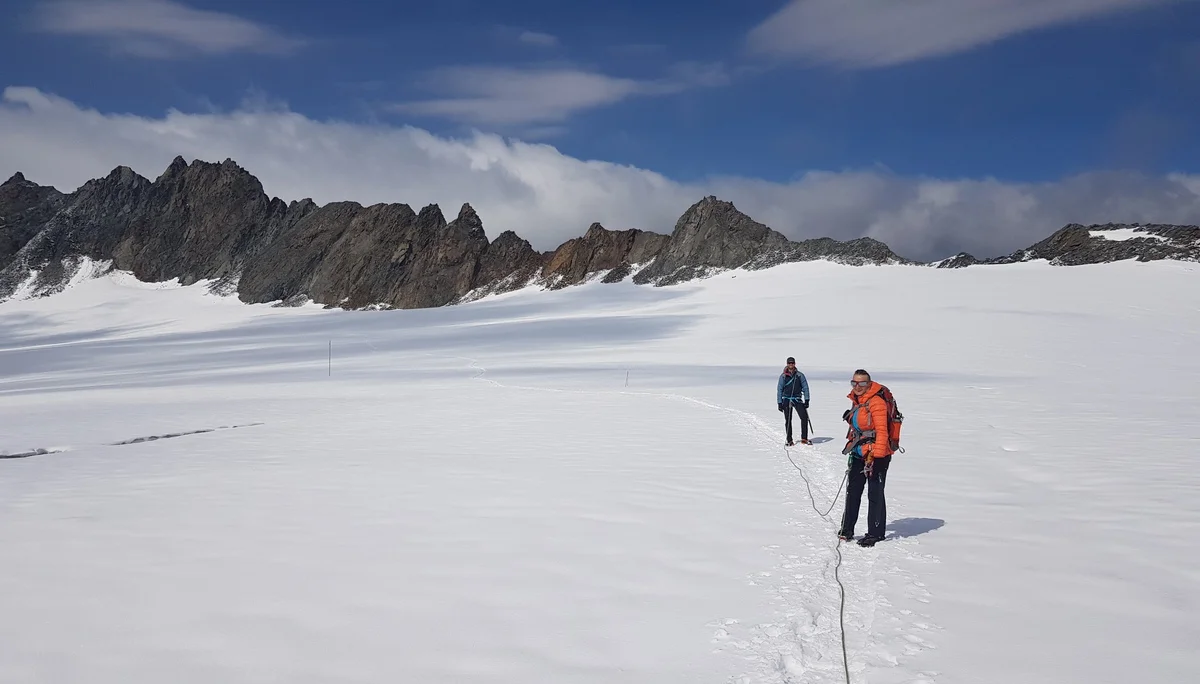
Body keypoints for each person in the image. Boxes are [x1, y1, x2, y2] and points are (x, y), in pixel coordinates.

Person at [838, 369, 893, 547]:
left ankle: (875, 533)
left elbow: (882, 431)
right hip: (859, 451)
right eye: (854, 383)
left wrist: (876, 457)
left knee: (875, 493)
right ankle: (847, 529)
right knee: (853, 490)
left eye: (862, 383)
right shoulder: (857, 400)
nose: (857, 387)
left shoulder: (876, 402)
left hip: (877, 454)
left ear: (869, 384)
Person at [776, 357, 811, 447]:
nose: (791, 365)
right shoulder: (783, 376)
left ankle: (804, 438)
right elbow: (779, 389)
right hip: (786, 399)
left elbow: (805, 387)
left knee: (804, 417)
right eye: (789, 363)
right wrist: (779, 403)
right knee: (788, 420)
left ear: (795, 364)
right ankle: (789, 440)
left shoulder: (800, 375)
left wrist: (807, 400)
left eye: (792, 363)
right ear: (787, 364)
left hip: (797, 398)